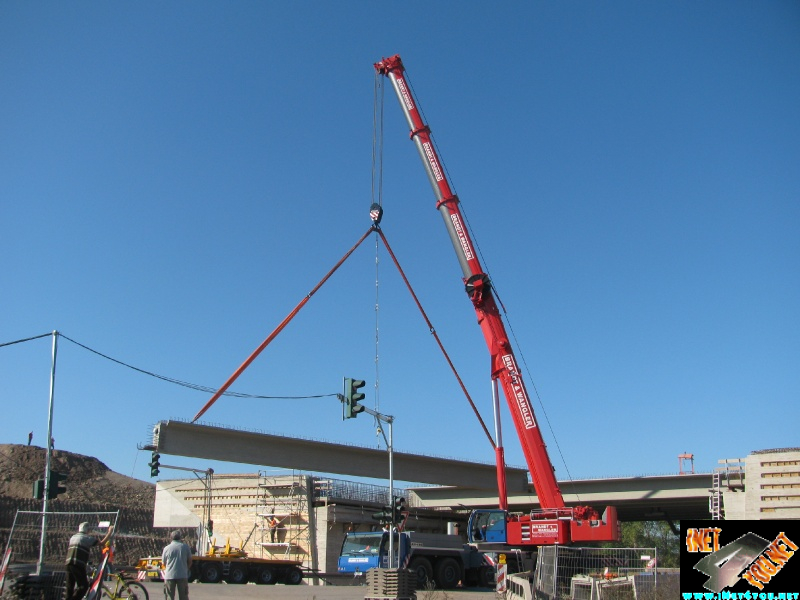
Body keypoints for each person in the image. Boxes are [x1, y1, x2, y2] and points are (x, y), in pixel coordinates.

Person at [64, 522, 114, 600]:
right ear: (87, 530)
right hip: (78, 564)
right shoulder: (86, 538)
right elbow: (102, 543)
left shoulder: (73, 537)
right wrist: (109, 532)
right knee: (84, 586)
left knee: (69, 587)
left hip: (68, 563)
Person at [162, 530, 192, 600]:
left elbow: (163, 562)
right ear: (180, 538)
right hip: (182, 575)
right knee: (183, 597)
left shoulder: (167, 548)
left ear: (171, 538)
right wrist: (186, 569)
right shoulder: (185, 547)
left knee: (169, 597)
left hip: (169, 575)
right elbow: (190, 561)